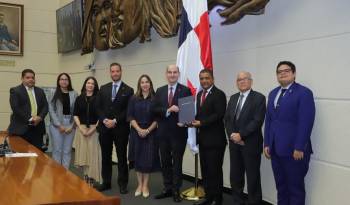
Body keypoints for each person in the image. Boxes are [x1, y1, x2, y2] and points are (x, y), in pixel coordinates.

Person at [264, 61, 315, 205]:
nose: (283, 73)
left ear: (294, 73)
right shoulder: (273, 93)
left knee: (295, 189)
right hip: (275, 150)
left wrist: (299, 147)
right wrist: (267, 143)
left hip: (294, 151)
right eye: (279, 72)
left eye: (286, 71)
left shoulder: (304, 93)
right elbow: (269, 121)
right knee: (281, 187)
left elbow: (306, 122)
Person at [224, 71, 266, 205]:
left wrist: (241, 135)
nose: (242, 82)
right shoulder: (233, 98)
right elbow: (227, 119)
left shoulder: (259, 98)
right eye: (239, 80)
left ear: (251, 81)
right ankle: (238, 201)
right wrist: (233, 136)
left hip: (251, 144)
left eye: (245, 79)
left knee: (253, 177)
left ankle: (254, 202)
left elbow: (257, 121)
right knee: (235, 176)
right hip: (234, 144)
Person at [153, 64, 192, 203]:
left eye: (175, 72)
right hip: (162, 133)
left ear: (178, 74)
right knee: (165, 162)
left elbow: (188, 114)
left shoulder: (185, 90)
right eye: (169, 72)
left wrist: (184, 119)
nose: (172, 75)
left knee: (177, 163)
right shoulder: (160, 90)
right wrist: (169, 109)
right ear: (166, 74)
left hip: (178, 133)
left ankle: (176, 189)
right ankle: (167, 187)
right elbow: (155, 109)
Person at [95, 62, 134, 193]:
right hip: (105, 128)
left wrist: (115, 120)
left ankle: (123, 184)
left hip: (121, 129)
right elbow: (98, 107)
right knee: (106, 156)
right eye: (113, 71)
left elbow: (128, 110)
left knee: (121, 157)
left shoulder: (128, 90)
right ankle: (106, 182)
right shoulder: (103, 88)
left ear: (121, 72)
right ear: (110, 72)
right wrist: (105, 120)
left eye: (117, 71)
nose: (115, 73)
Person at [191, 69, 227, 205]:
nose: (204, 81)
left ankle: (218, 199)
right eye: (201, 78)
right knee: (205, 171)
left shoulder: (219, 94)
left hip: (216, 141)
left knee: (215, 172)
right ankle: (209, 197)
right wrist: (188, 120)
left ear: (212, 79)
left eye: (207, 78)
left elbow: (219, 114)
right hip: (203, 141)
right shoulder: (200, 94)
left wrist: (201, 123)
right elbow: (198, 116)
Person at [127, 74, 160, 198]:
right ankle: (139, 185)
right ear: (139, 85)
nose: (145, 84)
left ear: (150, 84)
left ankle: (145, 185)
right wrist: (139, 129)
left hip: (150, 133)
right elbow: (130, 116)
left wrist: (147, 130)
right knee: (137, 158)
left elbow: (158, 118)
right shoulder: (133, 98)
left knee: (147, 160)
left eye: (147, 82)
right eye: (142, 82)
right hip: (136, 131)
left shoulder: (155, 98)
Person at [8, 69, 48, 149]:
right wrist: (31, 119)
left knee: (37, 154)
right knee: (20, 155)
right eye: (28, 77)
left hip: (37, 129)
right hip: (21, 129)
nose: (31, 79)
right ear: (22, 79)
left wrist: (39, 118)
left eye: (33, 78)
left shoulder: (40, 91)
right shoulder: (15, 91)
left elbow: (45, 106)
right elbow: (16, 108)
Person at [73, 76, 102, 185]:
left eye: (92, 84)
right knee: (83, 155)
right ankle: (85, 176)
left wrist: (93, 129)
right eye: (88, 83)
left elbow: (101, 117)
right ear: (85, 84)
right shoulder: (79, 98)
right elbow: (75, 114)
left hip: (94, 131)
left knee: (92, 155)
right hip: (82, 130)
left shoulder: (99, 99)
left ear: (95, 86)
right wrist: (80, 127)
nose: (90, 85)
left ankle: (92, 178)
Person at [49, 73, 78, 169]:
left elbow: (76, 111)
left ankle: (65, 173)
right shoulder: (53, 92)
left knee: (67, 150)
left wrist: (73, 125)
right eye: (61, 79)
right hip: (56, 125)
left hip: (70, 124)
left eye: (66, 79)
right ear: (58, 81)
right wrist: (58, 125)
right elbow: (51, 109)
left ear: (69, 81)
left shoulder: (74, 93)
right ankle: (56, 172)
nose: (64, 81)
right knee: (57, 150)